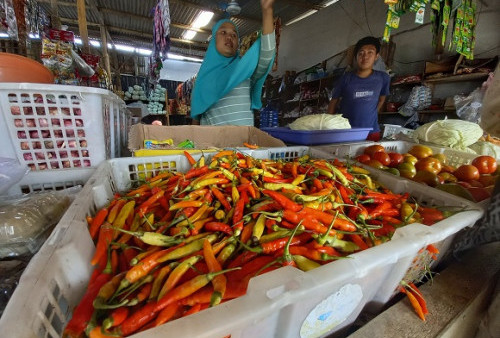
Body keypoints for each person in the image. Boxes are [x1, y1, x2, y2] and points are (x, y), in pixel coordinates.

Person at [190, 0, 276, 126]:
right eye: (223, 32)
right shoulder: (202, 79)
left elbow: (266, 53)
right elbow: (195, 122)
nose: (229, 37)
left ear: (237, 44)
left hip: (244, 144)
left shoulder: (246, 69)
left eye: (234, 35)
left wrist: (267, 11)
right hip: (214, 145)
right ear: (213, 40)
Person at [328, 36, 390, 141]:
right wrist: (327, 127)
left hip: (371, 132)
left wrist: (371, 115)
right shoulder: (345, 79)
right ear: (356, 57)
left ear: (376, 56)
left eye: (370, 53)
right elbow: (333, 103)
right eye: (361, 53)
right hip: (346, 131)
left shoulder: (383, 78)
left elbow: (381, 99)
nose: (365, 57)